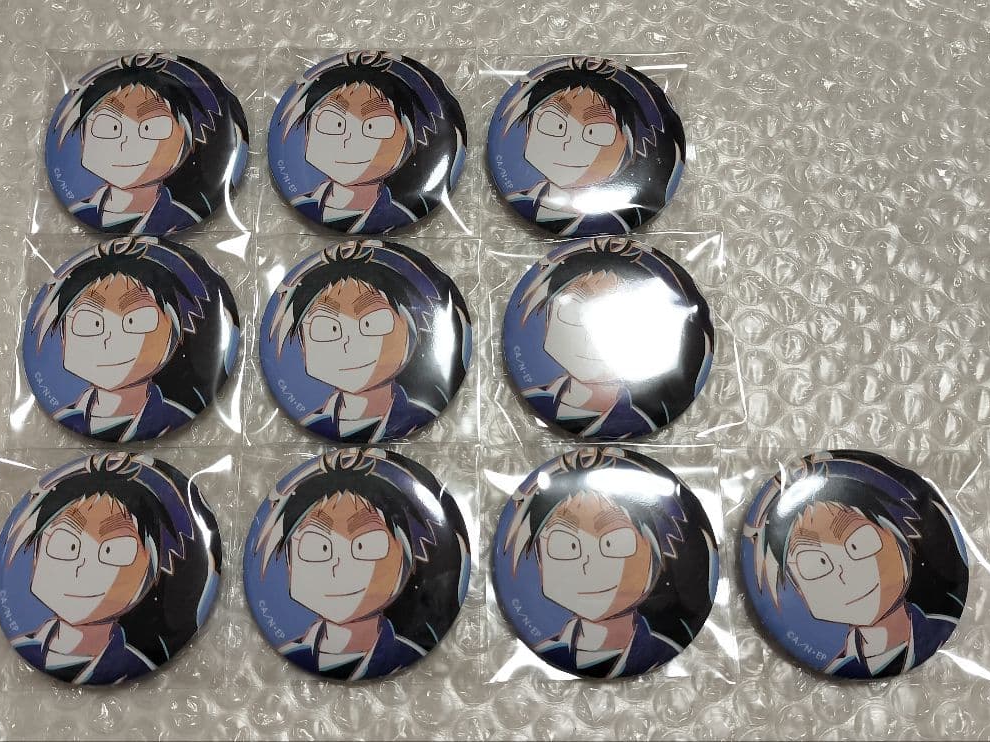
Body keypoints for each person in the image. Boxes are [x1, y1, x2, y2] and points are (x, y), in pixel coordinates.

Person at [744, 450, 968, 678]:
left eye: (858, 543)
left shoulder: (937, 630)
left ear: (901, 541)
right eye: (816, 563)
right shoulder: (837, 663)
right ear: (797, 587)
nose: (843, 572)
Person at [253, 449, 470, 680]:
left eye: (365, 545)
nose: (338, 565)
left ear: (406, 561)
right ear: (289, 558)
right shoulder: (292, 650)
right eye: (318, 546)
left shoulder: (406, 654)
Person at [502, 448, 716, 678]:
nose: (587, 563)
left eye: (613, 543)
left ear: (655, 555)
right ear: (539, 556)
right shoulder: (550, 647)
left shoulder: (660, 648)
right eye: (565, 544)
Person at [5, 454, 211, 684]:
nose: (83, 566)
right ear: (36, 551)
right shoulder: (25, 643)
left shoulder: (136, 662)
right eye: (67, 544)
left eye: (113, 551)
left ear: (151, 572)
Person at [30, 236, 237, 442]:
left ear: (174, 333)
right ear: (63, 333)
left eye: (135, 320)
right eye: (91, 322)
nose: (109, 339)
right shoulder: (67, 414)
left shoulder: (172, 414)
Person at [266, 240, 470, 442]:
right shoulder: (315, 420)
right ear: (303, 340)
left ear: (410, 329)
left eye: (371, 323)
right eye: (328, 327)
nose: (348, 343)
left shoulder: (417, 414)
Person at [511, 237, 712, 439]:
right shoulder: (539, 395)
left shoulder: (642, 417)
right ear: (548, 313)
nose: (591, 333)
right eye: (577, 300)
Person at [52, 53, 248, 233]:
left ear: (186, 143)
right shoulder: (83, 208)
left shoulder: (180, 217)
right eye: (110, 125)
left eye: (150, 128)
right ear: (84, 133)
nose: (126, 143)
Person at [277, 51, 466, 233]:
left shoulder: (399, 213)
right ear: (308, 126)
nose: (349, 139)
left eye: (373, 127)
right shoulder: (304, 202)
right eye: (334, 122)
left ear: (408, 140)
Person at [497, 57, 683, 236]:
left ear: (628, 146)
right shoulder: (521, 200)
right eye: (555, 124)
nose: (568, 142)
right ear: (529, 125)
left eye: (595, 132)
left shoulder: (619, 217)